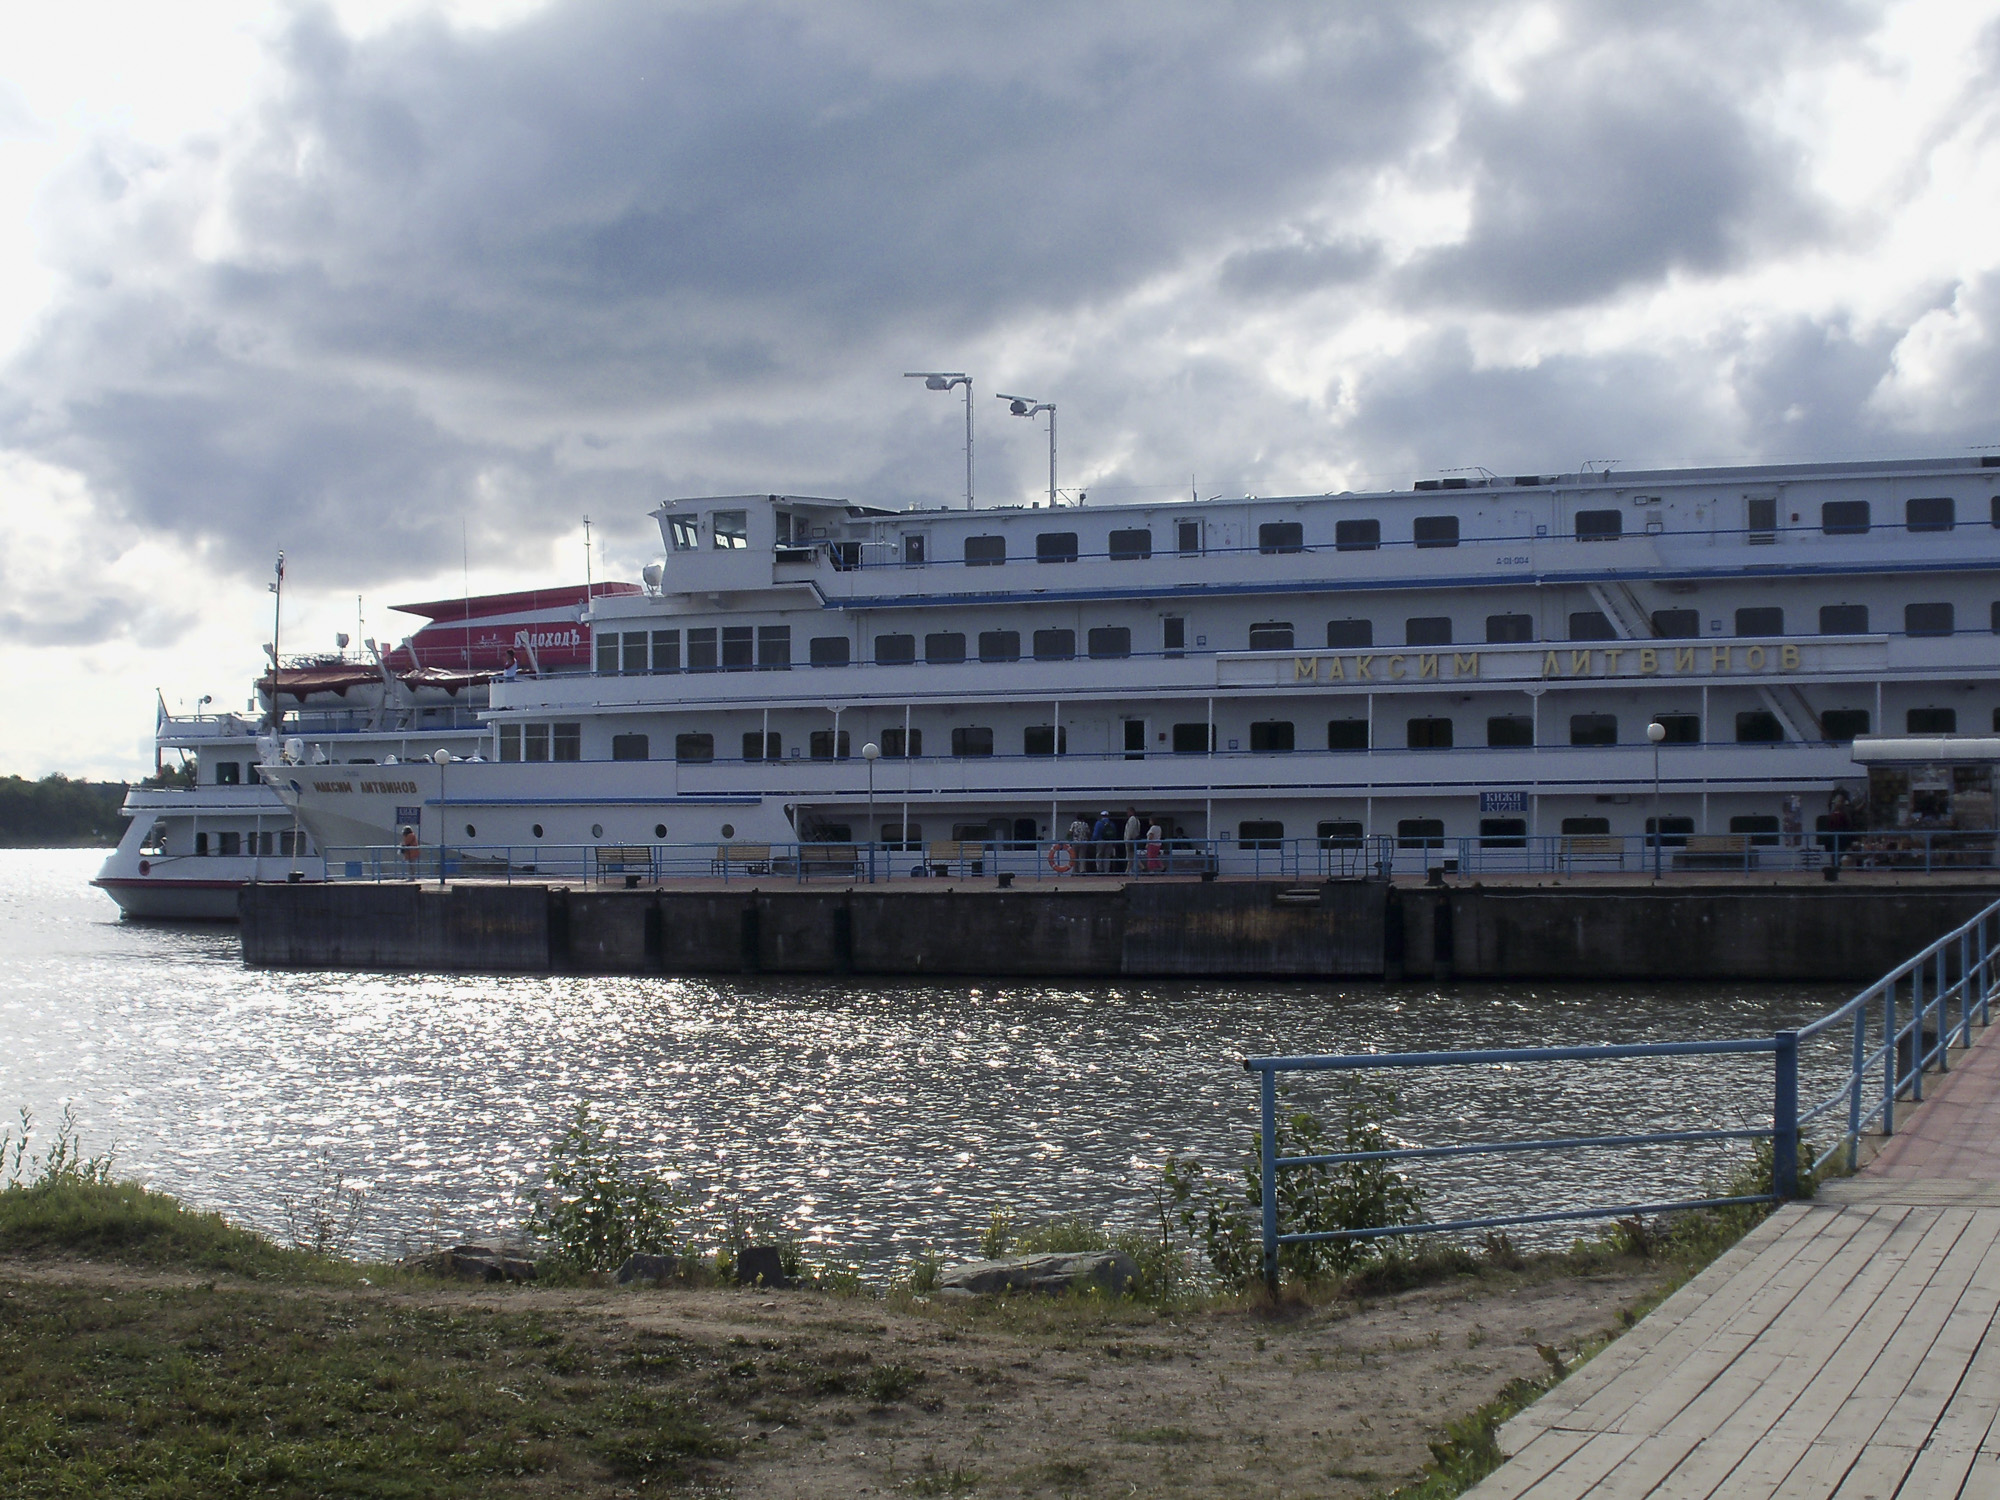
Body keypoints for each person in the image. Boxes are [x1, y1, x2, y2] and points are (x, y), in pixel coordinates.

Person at [1123, 808, 1143, 875]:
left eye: (1128, 812)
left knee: (1131, 856)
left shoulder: (1132, 819)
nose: (1127, 813)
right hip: (1134, 839)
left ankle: (1142, 867)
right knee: (1131, 857)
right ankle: (1127, 871)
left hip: (1131, 840)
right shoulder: (1137, 820)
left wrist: (1127, 839)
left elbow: (1130, 830)